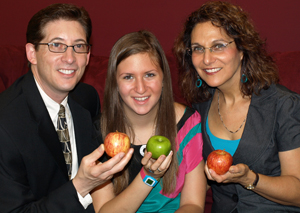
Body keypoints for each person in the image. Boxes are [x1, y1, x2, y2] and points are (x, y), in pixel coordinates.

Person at [0, 3, 133, 212]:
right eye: (56, 45)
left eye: (79, 46)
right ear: (31, 53)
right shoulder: (5, 124)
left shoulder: (86, 98)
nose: (70, 58)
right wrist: (81, 185)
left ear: (88, 56)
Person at [173, 1, 300, 212]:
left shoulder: (284, 105)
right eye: (198, 49)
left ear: (242, 49)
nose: (206, 59)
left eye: (218, 46)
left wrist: (250, 178)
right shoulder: (200, 106)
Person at [91, 30, 206, 212]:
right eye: (128, 77)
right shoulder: (98, 131)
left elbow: (193, 204)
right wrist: (149, 176)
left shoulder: (188, 123)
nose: (140, 88)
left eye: (149, 75)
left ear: (163, 78)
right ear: (115, 83)